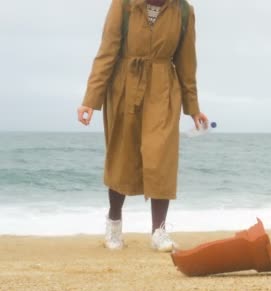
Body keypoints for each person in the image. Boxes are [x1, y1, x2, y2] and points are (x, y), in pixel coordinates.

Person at [77, 0, 208, 252]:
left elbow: (186, 62)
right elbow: (107, 52)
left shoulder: (183, 11)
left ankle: (159, 231)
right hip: (124, 85)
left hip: (163, 89)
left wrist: (193, 108)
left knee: (161, 157)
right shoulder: (123, 5)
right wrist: (90, 101)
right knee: (122, 156)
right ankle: (114, 224)